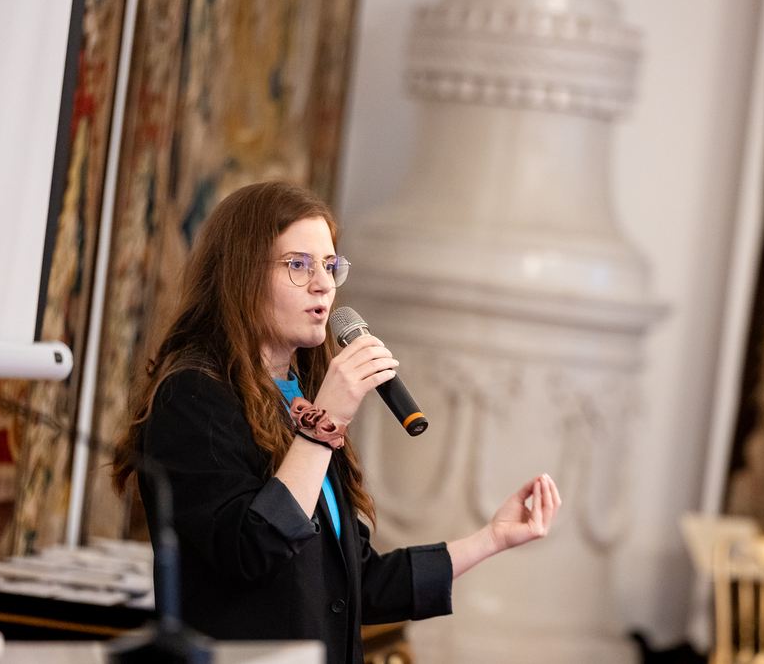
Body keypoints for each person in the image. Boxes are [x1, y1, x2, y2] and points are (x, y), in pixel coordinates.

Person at [111, 181, 561, 664]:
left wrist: (492, 538)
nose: (323, 284)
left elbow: (356, 583)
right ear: (242, 275)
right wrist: (324, 424)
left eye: (329, 265)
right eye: (298, 265)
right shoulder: (193, 395)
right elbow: (253, 548)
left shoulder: (298, 397)